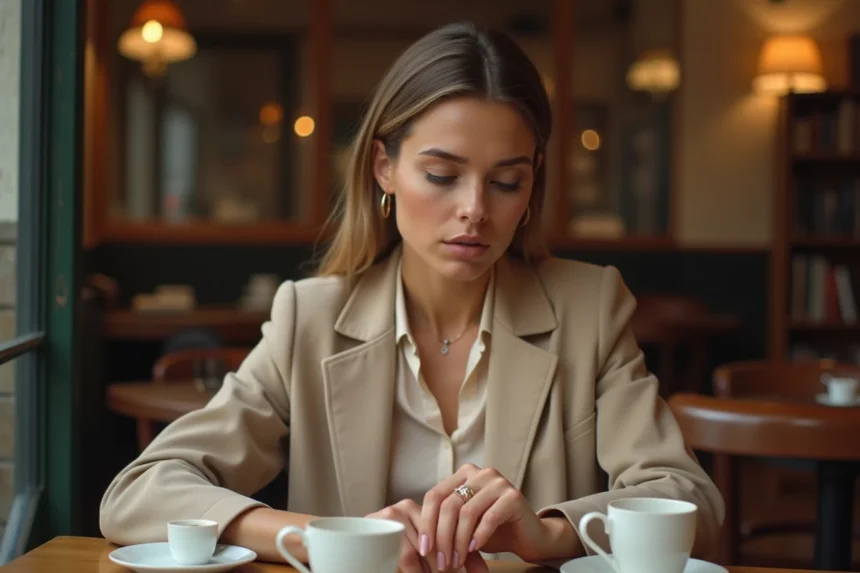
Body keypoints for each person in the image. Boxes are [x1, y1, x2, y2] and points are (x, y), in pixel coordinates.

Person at [100, 21, 724, 573]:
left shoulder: (589, 308)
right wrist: (327, 538)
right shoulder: (309, 318)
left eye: (507, 181)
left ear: (533, 183)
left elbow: (691, 504)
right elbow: (141, 493)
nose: (475, 210)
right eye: (442, 175)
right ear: (383, 169)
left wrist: (547, 535)